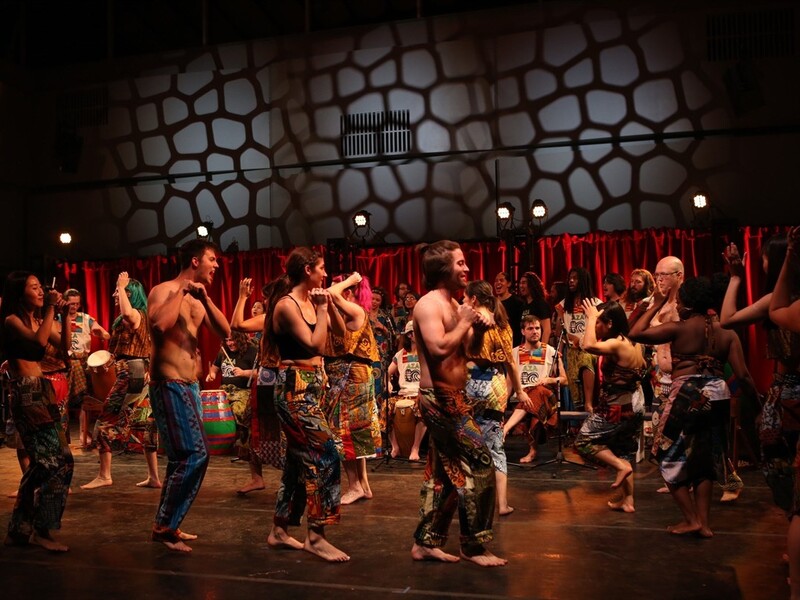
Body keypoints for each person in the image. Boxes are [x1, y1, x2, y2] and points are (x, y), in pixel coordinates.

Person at [630, 277, 758, 537]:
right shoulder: (728, 332)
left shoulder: (680, 327)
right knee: (705, 460)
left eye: (678, 300)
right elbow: (743, 376)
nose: (676, 303)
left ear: (688, 302)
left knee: (663, 454)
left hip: (688, 395)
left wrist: (656, 303)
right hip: (719, 395)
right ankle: (705, 523)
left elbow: (635, 333)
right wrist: (756, 403)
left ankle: (691, 519)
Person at [410, 240, 506, 567]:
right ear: (443, 269)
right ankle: (473, 546)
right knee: (480, 463)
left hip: (456, 399)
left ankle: (427, 542)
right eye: (460, 263)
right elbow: (438, 349)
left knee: (447, 474)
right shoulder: (428, 305)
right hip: (439, 401)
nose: (467, 269)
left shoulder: (453, 305)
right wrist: (467, 319)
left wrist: (478, 328)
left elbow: (466, 350)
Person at [265, 247, 350, 563]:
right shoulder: (287, 306)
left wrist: (329, 305)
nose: (326, 274)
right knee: (326, 455)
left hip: (312, 387)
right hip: (294, 389)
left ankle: (279, 529)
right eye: (322, 268)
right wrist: (322, 309)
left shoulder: (312, 303)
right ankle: (316, 535)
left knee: (297, 464)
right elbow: (315, 344)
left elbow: (340, 336)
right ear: (306, 271)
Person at [147, 240, 231, 552]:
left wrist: (205, 299)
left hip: (190, 387)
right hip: (168, 383)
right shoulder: (164, 290)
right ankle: (165, 526)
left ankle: (168, 524)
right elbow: (159, 325)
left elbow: (226, 332)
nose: (216, 265)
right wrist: (183, 290)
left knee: (182, 459)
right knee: (196, 454)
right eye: (212, 259)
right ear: (195, 261)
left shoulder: (199, 301)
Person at [1, 272, 72, 551]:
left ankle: (19, 530)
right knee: (52, 462)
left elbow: (64, 349)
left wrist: (64, 316)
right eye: (34, 288)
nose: (41, 292)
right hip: (26, 393)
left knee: (58, 459)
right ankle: (41, 530)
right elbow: (39, 343)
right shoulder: (12, 321)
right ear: (20, 294)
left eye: (41, 287)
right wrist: (53, 309)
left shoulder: (38, 320)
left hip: (42, 389)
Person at [81, 272, 161, 490]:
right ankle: (154, 477)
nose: (115, 294)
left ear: (130, 294)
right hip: (140, 372)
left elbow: (127, 312)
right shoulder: (136, 318)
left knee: (105, 418)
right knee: (145, 423)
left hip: (131, 372)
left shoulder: (136, 315)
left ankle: (105, 474)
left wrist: (122, 283)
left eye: (119, 291)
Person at [463, 280, 529, 517]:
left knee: (470, 446)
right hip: (496, 385)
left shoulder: (471, 321)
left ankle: (474, 502)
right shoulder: (502, 323)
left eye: (464, 297)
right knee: (496, 447)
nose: (462, 301)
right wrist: (520, 390)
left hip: (472, 382)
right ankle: (501, 504)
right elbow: (510, 362)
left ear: (473, 299)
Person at [575, 300, 647, 513]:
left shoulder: (617, 343)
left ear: (608, 323)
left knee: (583, 441)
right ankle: (628, 501)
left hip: (616, 407)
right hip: (635, 404)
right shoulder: (634, 342)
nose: (595, 327)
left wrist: (589, 317)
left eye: (598, 323)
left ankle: (619, 467)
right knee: (623, 450)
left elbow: (588, 346)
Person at [324, 273, 381, 504]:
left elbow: (330, 294)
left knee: (343, 430)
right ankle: (363, 484)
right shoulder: (344, 314)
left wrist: (348, 281)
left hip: (350, 376)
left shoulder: (357, 311)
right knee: (356, 430)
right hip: (349, 374)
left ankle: (355, 485)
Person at [229, 277, 285, 495]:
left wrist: (243, 297)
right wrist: (242, 297)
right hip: (267, 374)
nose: (265, 301)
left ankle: (286, 478)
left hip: (279, 374)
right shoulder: (270, 318)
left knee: (280, 426)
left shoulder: (280, 316)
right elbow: (237, 326)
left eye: (267, 298)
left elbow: (238, 325)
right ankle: (257, 477)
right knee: (252, 422)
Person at [502, 315, 566, 463]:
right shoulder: (515, 353)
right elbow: (509, 383)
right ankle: (532, 449)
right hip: (522, 398)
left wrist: (550, 379)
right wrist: (502, 404)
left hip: (545, 397)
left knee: (537, 391)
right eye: (530, 328)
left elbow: (564, 379)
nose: (535, 331)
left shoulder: (551, 351)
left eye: (537, 328)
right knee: (529, 398)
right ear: (523, 332)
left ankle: (506, 429)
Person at [63, 288, 110, 449]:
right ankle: (62, 436)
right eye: (71, 304)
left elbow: (103, 332)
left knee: (85, 399)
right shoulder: (58, 318)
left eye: (76, 304)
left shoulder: (85, 319)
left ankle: (84, 433)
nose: (74, 307)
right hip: (65, 363)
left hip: (82, 362)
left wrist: (102, 333)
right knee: (64, 400)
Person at [205, 331, 258, 460]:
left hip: (243, 391)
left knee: (238, 410)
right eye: (227, 340)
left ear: (240, 339)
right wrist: (211, 374)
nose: (229, 343)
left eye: (232, 340)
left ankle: (243, 443)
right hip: (224, 391)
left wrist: (244, 372)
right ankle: (218, 444)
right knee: (212, 410)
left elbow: (260, 372)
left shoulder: (251, 350)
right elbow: (214, 368)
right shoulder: (223, 351)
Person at [555, 267, 600, 411]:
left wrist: (583, 339)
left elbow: (600, 329)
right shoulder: (563, 304)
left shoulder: (595, 303)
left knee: (585, 361)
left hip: (588, 347)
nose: (571, 281)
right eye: (570, 278)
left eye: (575, 278)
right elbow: (558, 331)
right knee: (572, 382)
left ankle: (588, 403)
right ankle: (578, 417)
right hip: (571, 348)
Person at [387, 319, 426, 460]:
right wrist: (388, 383)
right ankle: (395, 446)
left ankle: (415, 448)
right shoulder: (400, 355)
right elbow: (388, 372)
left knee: (423, 410)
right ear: (410, 335)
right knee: (385, 410)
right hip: (403, 394)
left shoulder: (425, 352)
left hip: (420, 394)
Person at [519, 271, 552, 345]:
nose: (521, 285)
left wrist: (541, 351)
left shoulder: (540, 304)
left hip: (538, 349)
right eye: (520, 283)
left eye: (524, 283)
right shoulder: (524, 305)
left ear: (532, 285)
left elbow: (547, 330)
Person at [494, 271, 524, 346]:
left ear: (509, 284)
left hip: (513, 344)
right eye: (496, 281)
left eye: (501, 280)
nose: (498, 283)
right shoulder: (491, 303)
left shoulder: (517, 302)